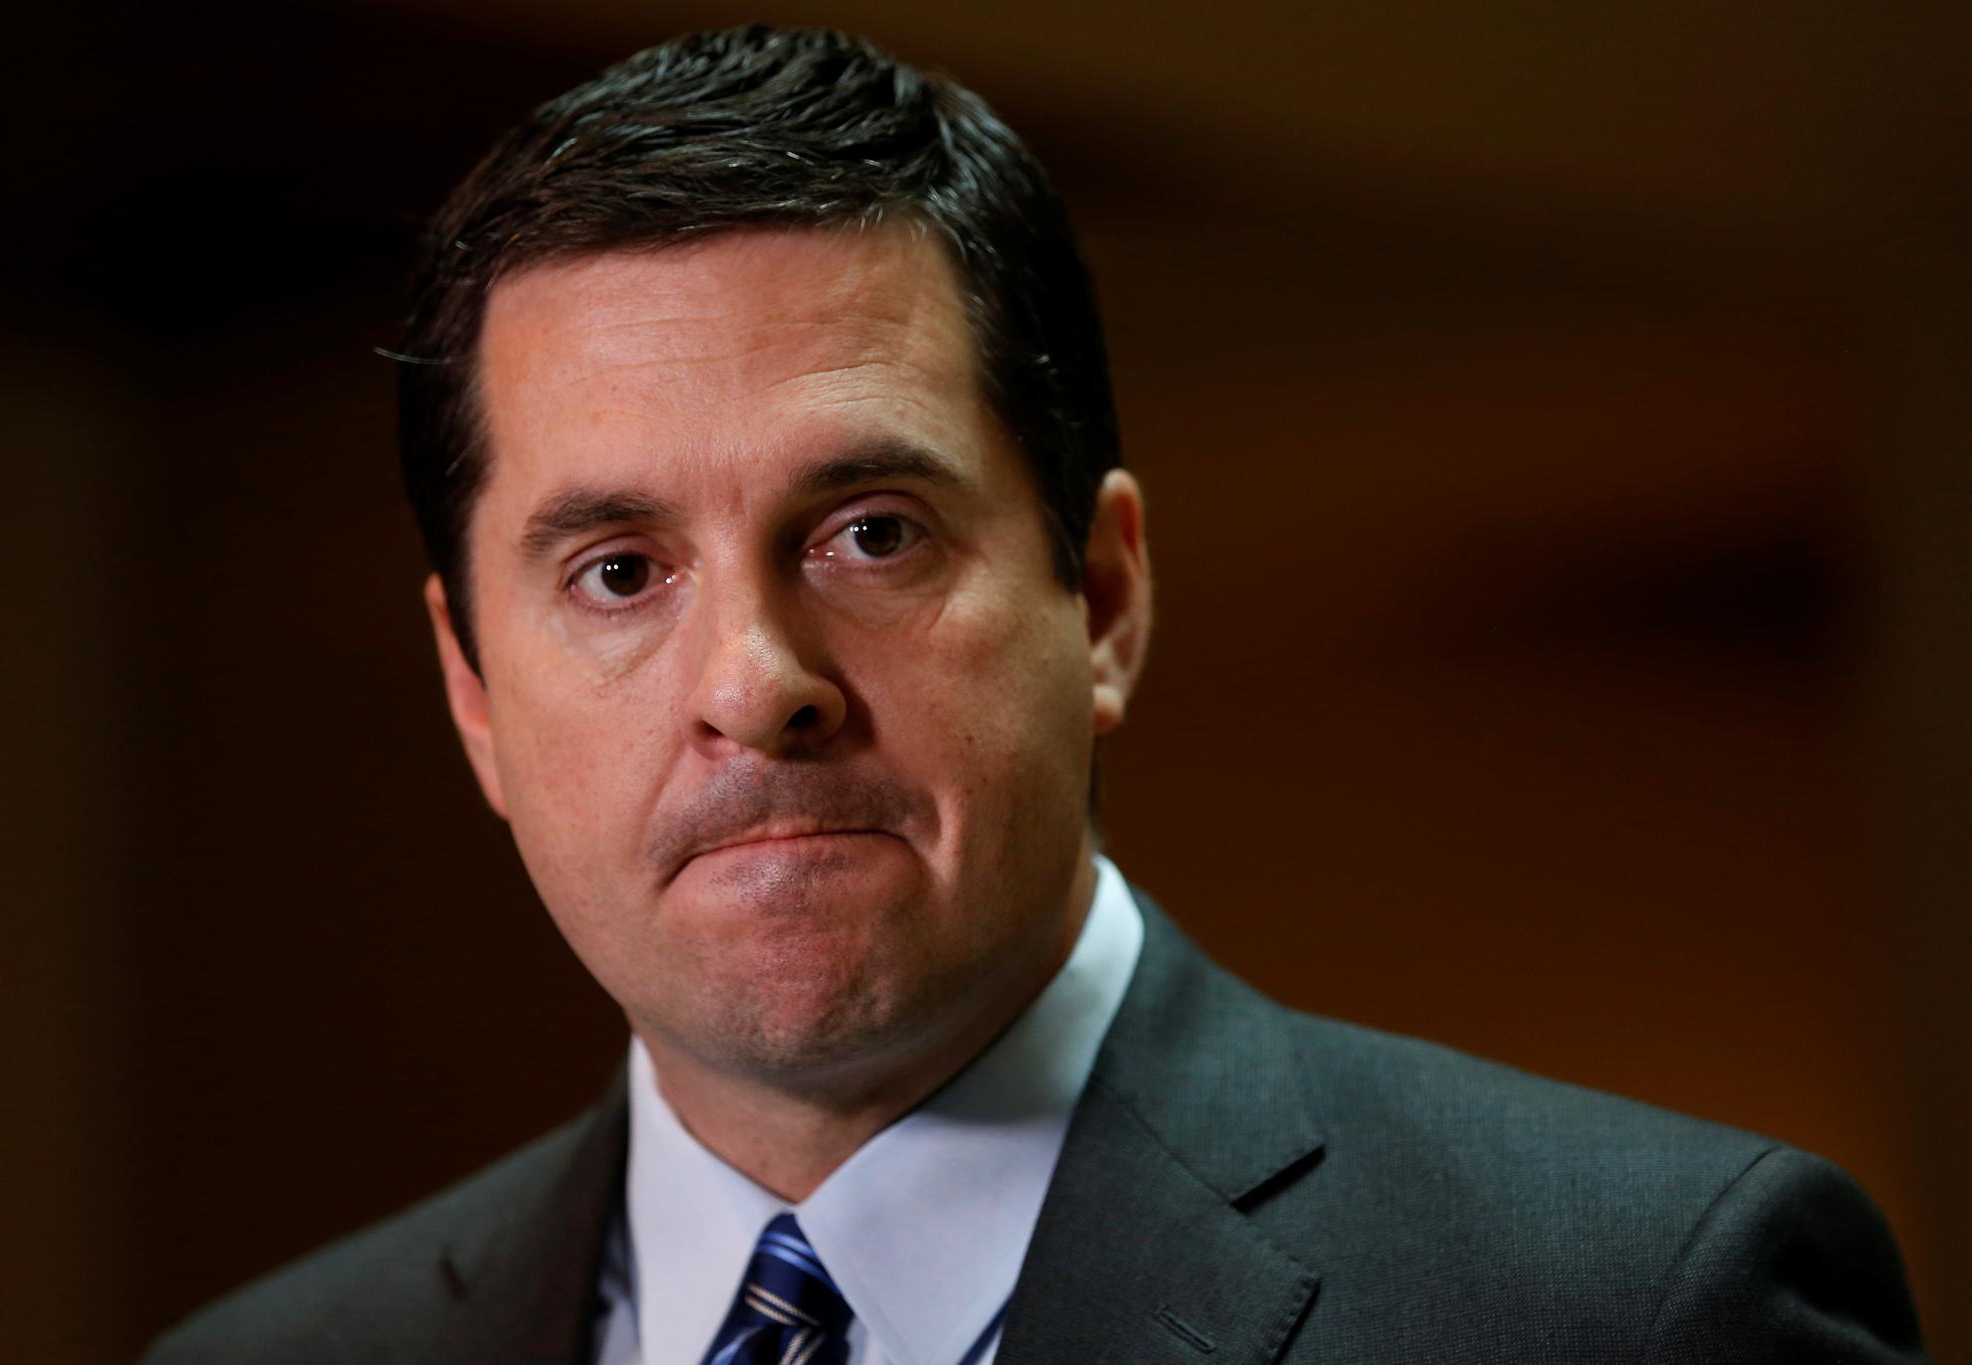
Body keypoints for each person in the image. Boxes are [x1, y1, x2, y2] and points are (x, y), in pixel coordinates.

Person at [143, 25, 1926, 1365]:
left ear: (1108, 600)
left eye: (868, 531)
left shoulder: (1639, 1309)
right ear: (472, 693)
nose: (756, 685)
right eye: (620, 570)